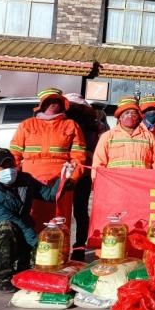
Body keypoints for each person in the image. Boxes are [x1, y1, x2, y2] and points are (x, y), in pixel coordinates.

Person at [0, 148, 73, 292]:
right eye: (3, 167)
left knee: (39, 266)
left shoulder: (25, 180)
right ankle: (0, 279)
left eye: (10, 165)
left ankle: (21, 267)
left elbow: (48, 195)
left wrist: (63, 178)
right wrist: (35, 242)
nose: (8, 170)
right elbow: (12, 220)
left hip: (21, 235)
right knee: (6, 227)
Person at [9, 88, 86, 232]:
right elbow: (15, 154)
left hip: (61, 181)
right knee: (32, 219)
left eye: (56, 101)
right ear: (42, 104)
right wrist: (15, 177)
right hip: (31, 180)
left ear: (62, 104)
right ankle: (32, 246)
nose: (53, 104)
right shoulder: (26, 124)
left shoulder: (71, 125)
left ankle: (59, 247)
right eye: (49, 101)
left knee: (59, 221)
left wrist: (72, 179)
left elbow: (79, 156)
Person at [64, 93, 105, 259]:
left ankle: (79, 247)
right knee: (67, 212)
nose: (75, 110)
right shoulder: (63, 124)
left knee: (79, 211)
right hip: (65, 173)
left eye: (77, 107)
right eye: (72, 107)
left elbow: (100, 150)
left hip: (82, 172)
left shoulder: (96, 127)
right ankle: (66, 246)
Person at [92, 97, 155, 172]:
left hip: (142, 179)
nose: (130, 115)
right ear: (119, 117)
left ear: (138, 116)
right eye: (126, 113)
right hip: (115, 179)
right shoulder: (107, 136)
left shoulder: (149, 137)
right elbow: (98, 163)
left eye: (133, 113)